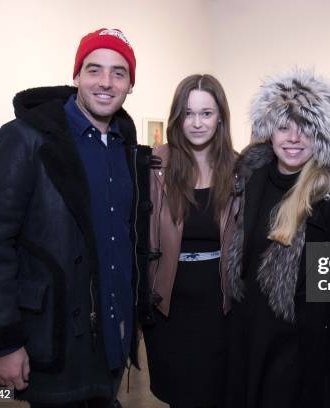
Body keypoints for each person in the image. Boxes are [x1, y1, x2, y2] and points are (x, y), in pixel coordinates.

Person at [0, 28, 152, 407]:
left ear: (131, 84)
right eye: (94, 69)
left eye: (119, 73)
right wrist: (4, 342)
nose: (105, 82)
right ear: (76, 75)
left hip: (112, 336)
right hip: (53, 336)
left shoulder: (125, 146)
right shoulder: (27, 138)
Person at [224, 70, 330, 408]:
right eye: (284, 127)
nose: (294, 138)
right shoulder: (250, 177)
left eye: (306, 128)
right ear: (270, 132)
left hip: (298, 352)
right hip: (250, 338)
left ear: (321, 135)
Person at [143, 74, 236, 408]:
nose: (197, 123)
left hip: (219, 309)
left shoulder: (239, 170)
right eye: (188, 113)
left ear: (221, 117)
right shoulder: (155, 165)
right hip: (168, 308)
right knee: (179, 396)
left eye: (206, 113)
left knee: (216, 394)